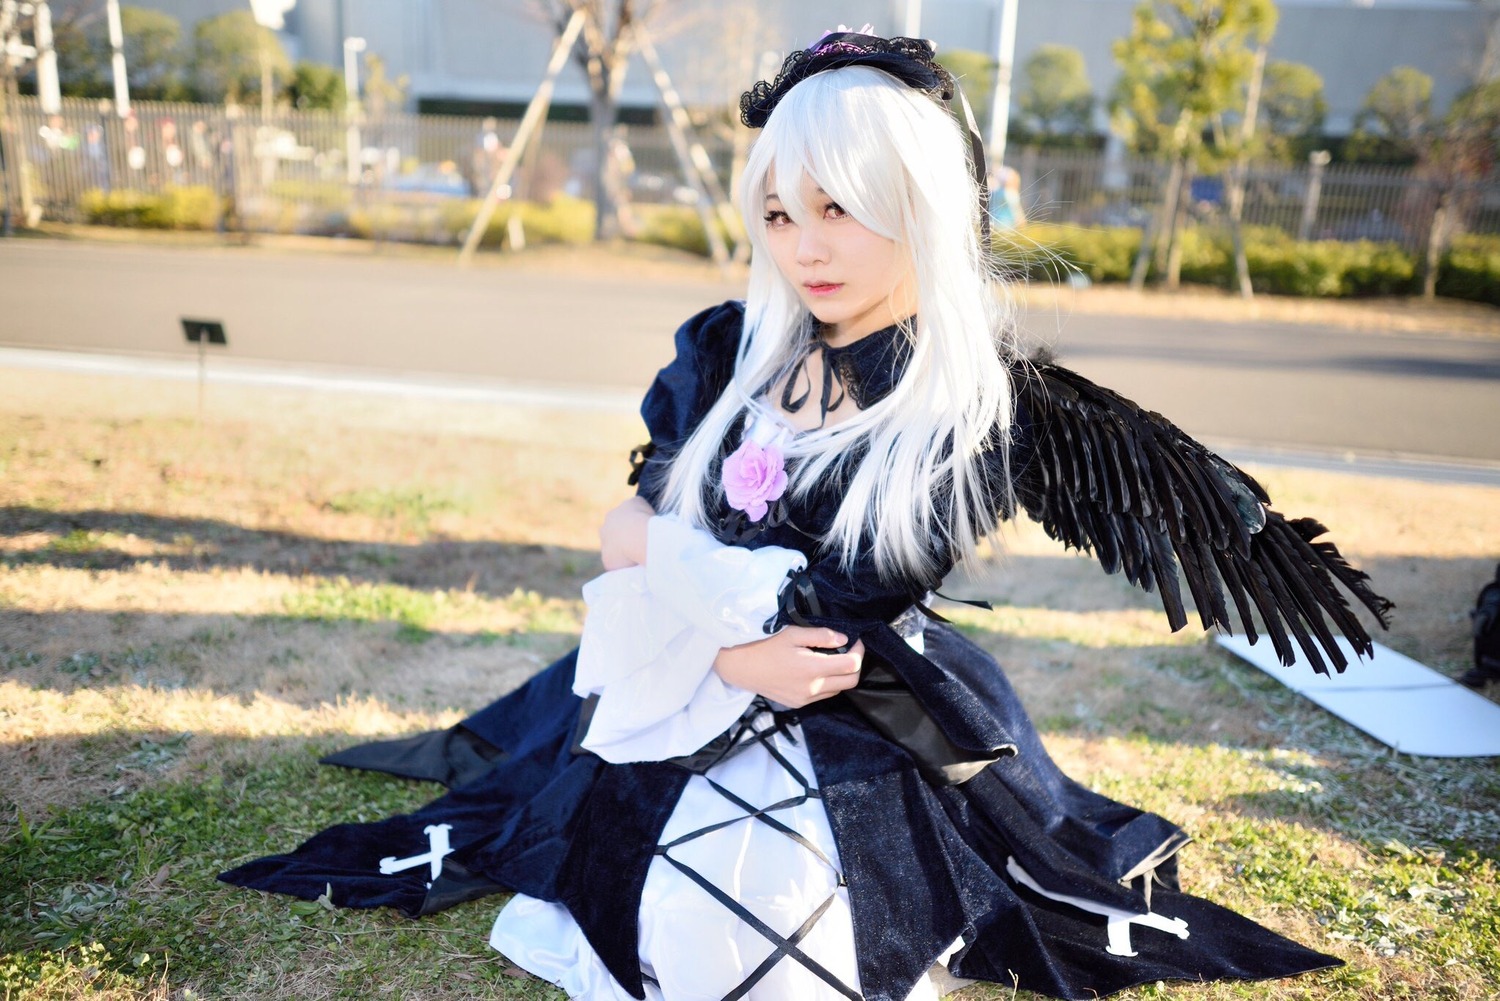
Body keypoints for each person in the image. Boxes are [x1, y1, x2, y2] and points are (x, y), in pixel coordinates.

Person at [221, 30, 1391, 1001]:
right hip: (688, 669)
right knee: (656, 913)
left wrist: (701, 590)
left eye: (840, 207)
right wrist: (722, 628)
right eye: (780, 213)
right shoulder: (729, 352)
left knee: (777, 943)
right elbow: (619, 532)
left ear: (920, 203)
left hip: (865, 706)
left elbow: (824, 624)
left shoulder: (964, 403)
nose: (806, 245)